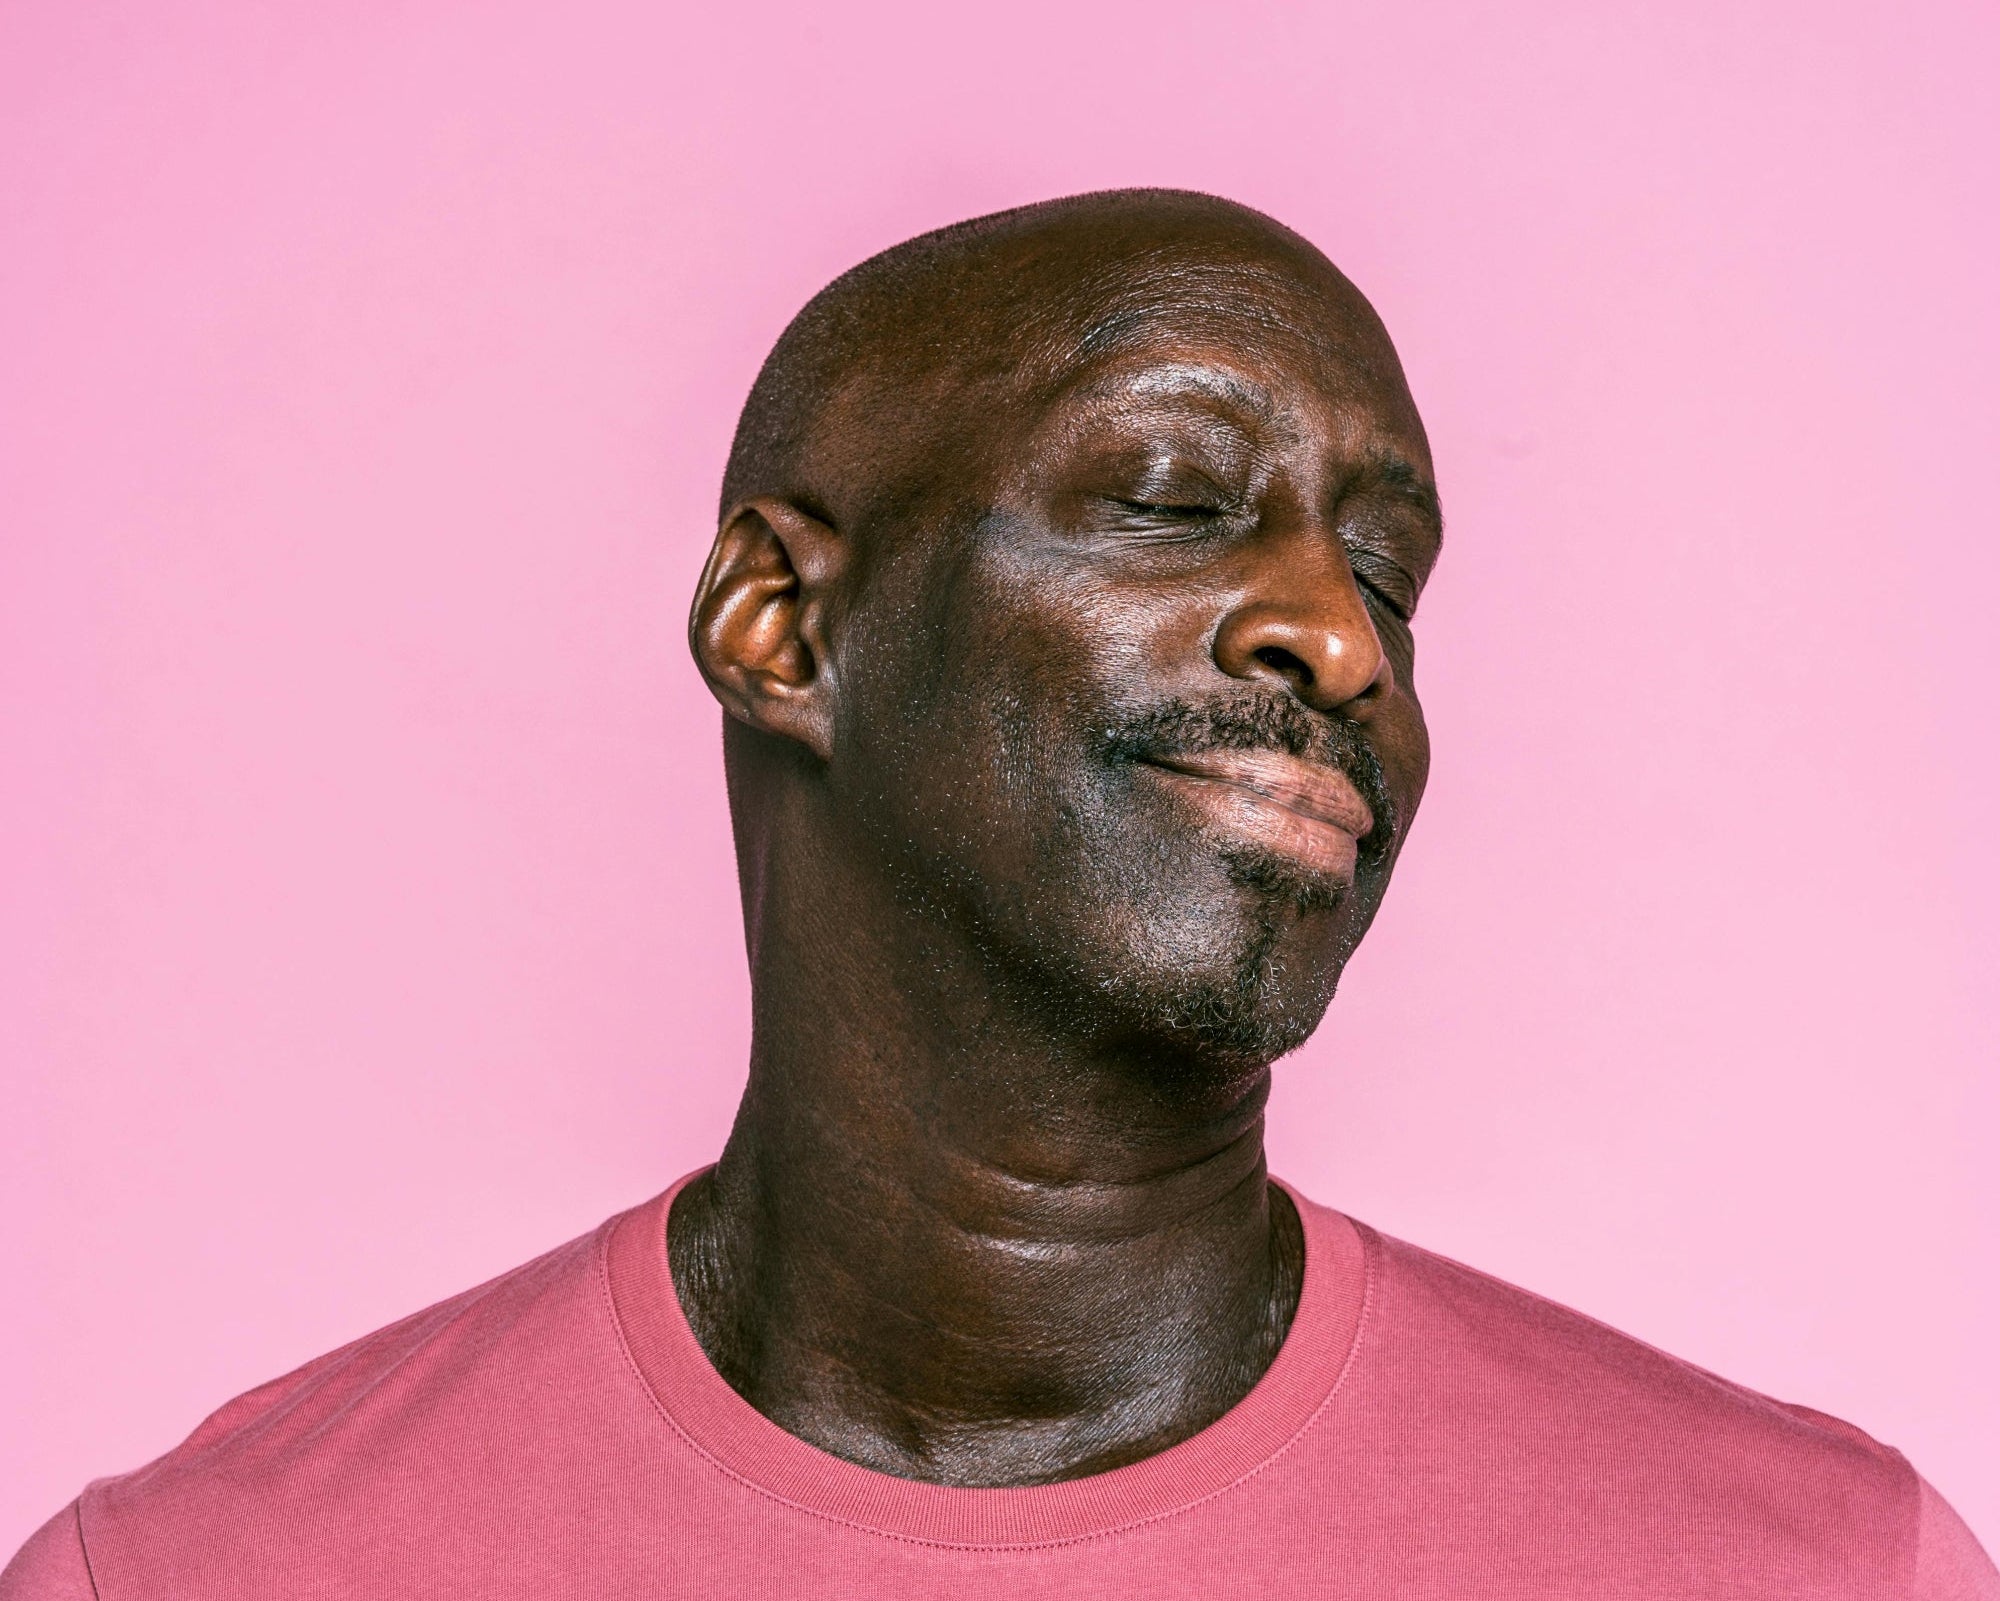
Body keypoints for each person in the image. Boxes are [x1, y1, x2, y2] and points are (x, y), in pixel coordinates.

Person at [4, 188, 1992, 1599]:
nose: (1340, 639)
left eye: (1388, 577)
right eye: (1173, 498)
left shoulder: (1812, 1570)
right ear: (783, 624)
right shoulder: (210, 1576)